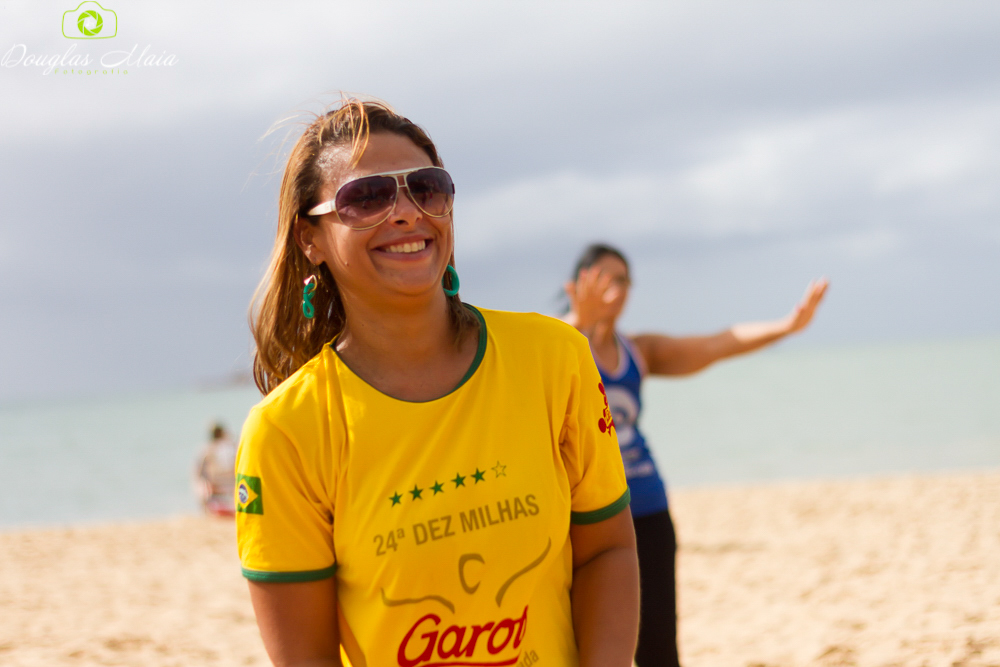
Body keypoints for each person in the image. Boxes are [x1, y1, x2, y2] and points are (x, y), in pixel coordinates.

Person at [235, 100, 640, 667]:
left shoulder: (555, 358)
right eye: (367, 197)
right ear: (311, 239)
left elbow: (607, 550)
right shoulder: (287, 431)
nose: (406, 212)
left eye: (426, 188)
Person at [563, 243, 828, 667]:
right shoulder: (558, 344)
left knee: (659, 648)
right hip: (585, 517)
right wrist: (580, 322)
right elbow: (534, 372)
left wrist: (786, 327)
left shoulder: (639, 351)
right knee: (585, 646)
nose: (617, 288)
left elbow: (716, 344)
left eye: (625, 280)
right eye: (605, 278)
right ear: (579, 285)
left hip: (647, 508)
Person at [195, 422, 237, 516]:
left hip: (219, 484)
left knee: (204, 491)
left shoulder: (207, 450)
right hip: (224, 484)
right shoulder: (230, 447)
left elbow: (199, 471)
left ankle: (207, 513)